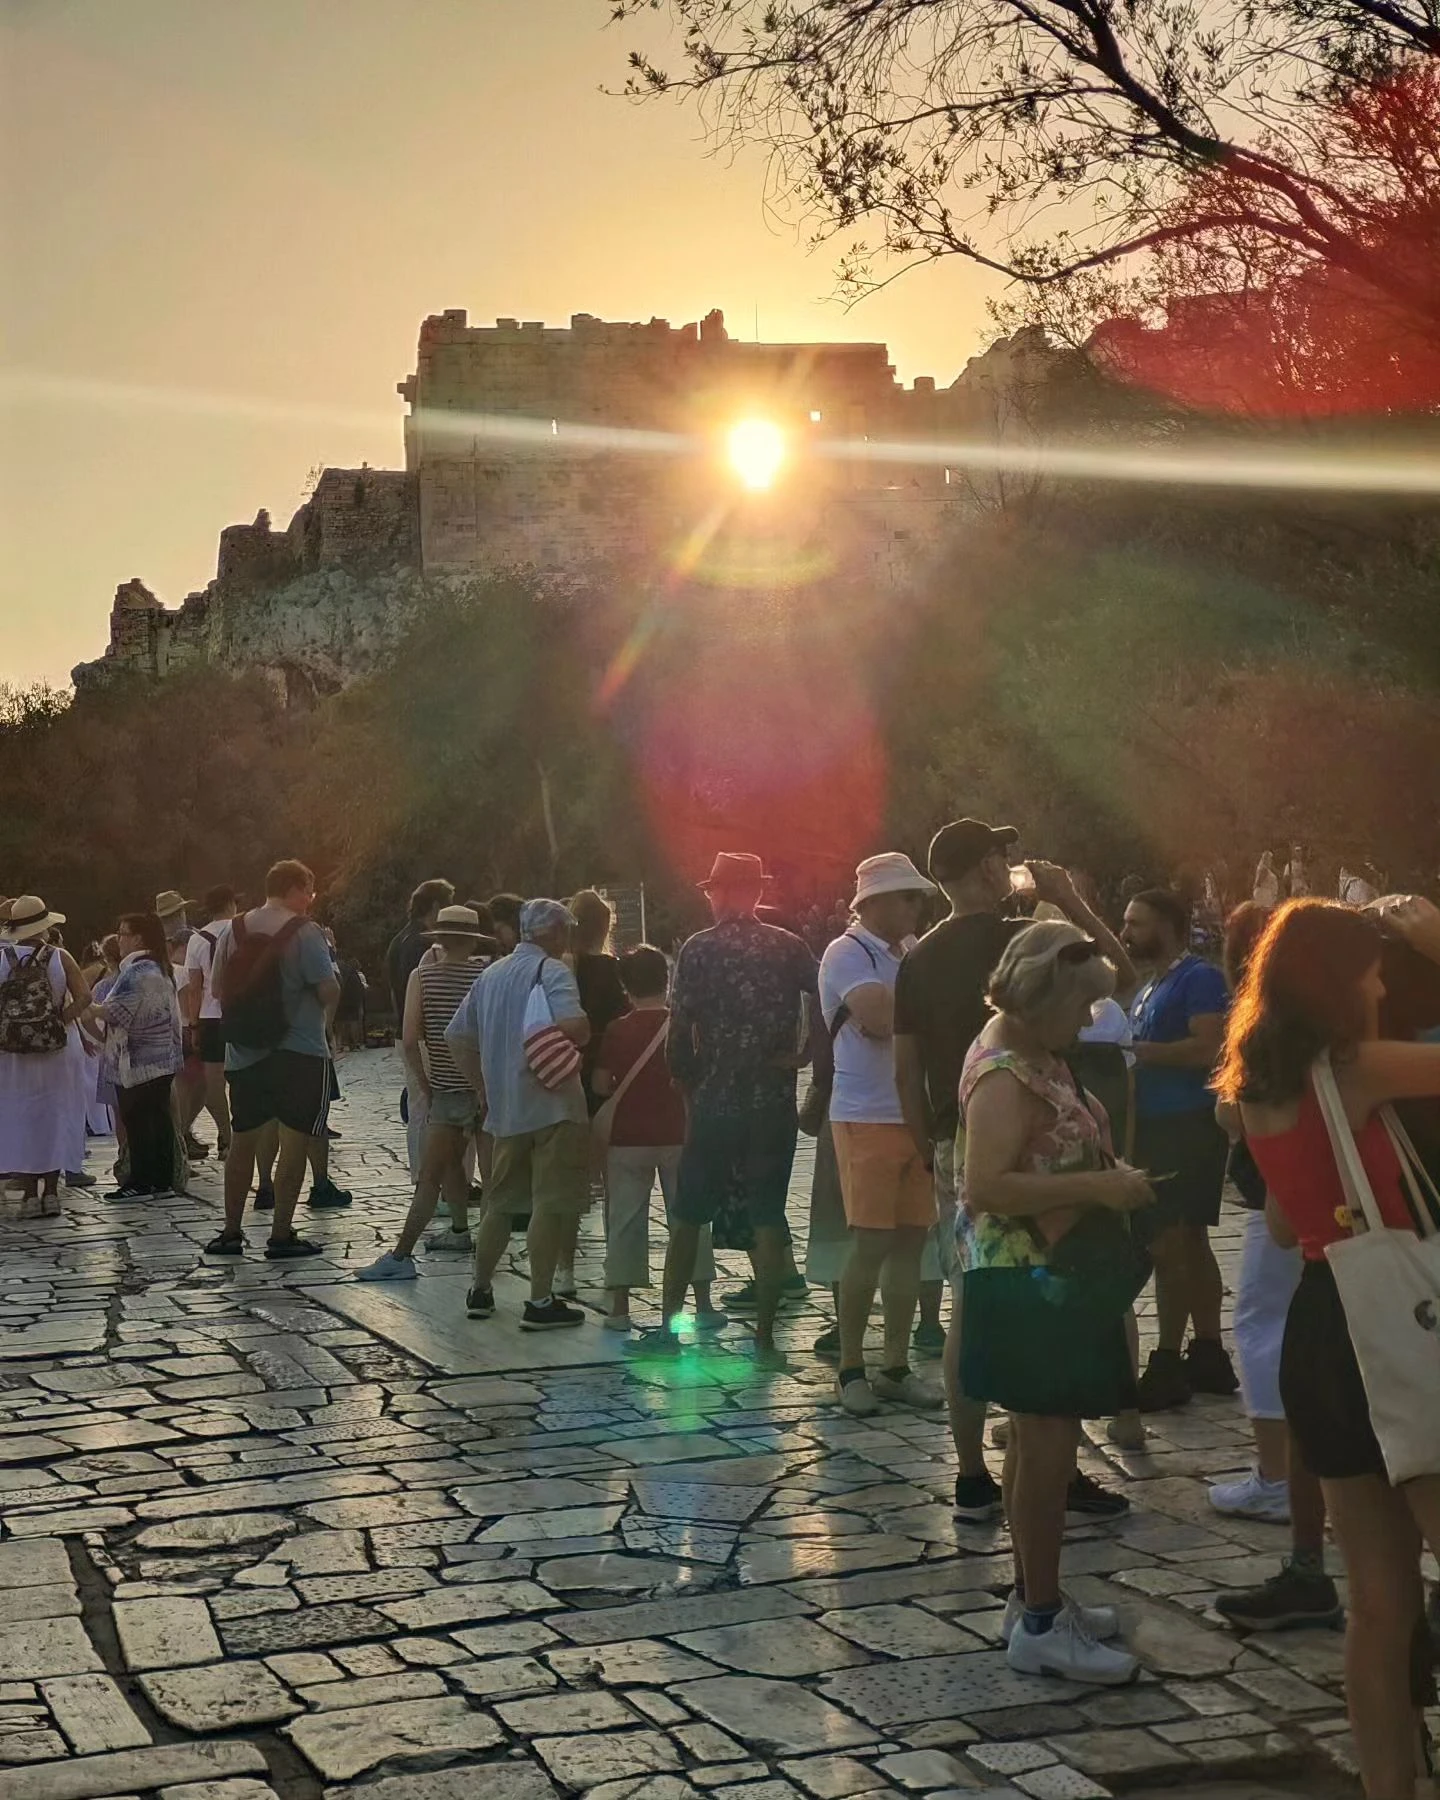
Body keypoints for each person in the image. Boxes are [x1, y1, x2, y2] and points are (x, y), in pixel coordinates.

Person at [1217, 896, 1440, 1800]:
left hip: (1321, 1320)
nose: (1385, 981)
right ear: (1341, 980)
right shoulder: (1355, 1066)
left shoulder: (1257, 1088)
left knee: (1378, 1602)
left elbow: (1280, 1219)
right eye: (1373, 967)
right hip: (1396, 1324)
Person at [894, 820, 1134, 1521]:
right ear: (986, 869)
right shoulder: (1028, 942)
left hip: (955, 1135)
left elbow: (906, 1068)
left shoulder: (918, 958)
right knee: (1059, 1298)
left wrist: (927, 1145)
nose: (1009, 865)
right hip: (1039, 1138)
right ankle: (1055, 1457)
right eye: (999, 855)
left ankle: (972, 1473)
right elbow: (1122, 975)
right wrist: (1070, 898)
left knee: (971, 1299)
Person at [960, 920, 1151, 1684]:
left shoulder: (1035, 1050)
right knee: (1044, 1452)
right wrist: (1097, 1186)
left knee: (1036, 1444)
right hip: (1027, 1276)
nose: (1088, 1021)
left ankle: (1033, 1598)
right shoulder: (1008, 1071)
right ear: (1046, 1000)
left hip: (1042, 1272)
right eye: (1080, 1005)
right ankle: (1039, 1621)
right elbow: (987, 1186)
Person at [631, 852, 818, 1362]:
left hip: (715, 1103)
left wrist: (688, 1085)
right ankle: (763, 1337)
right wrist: (803, 1054)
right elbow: (825, 999)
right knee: (766, 1216)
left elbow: (678, 1029)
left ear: (723, 893)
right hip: (771, 1103)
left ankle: (670, 1328)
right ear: (755, 892)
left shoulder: (698, 950)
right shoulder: (789, 947)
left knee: (689, 1216)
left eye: (713, 891)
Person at [823, 852, 943, 1417]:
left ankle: (895, 1365)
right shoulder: (845, 953)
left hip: (911, 1113)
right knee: (870, 1244)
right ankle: (852, 1366)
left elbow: (901, 1017)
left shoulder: (911, 953)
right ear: (876, 902)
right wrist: (931, 1016)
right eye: (908, 897)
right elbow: (876, 1015)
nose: (917, 906)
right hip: (866, 1113)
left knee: (911, 1245)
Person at [446, 898, 590, 1330]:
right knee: (549, 1201)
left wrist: (482, 1087)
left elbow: (457, 1036)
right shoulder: (554, 971)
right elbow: (576, 1026)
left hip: (506, 1108)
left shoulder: (490, 975)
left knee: (499, 1202)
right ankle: (541, 1300)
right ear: (557, 933)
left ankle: (480, 1289)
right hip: (554, 1105)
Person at [1122, 887, 1236, 1410]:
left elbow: (1209, 1047)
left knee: (1170, 1241)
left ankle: (1167, 1359)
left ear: (1168, 925)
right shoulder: (1152, 985)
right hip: (1158, 1125)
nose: (1127, 932)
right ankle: (1209, 1350)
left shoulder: (1200, 978)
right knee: (1190, 1240)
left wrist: (1135, 1051)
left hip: (1185, 1124)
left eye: (1136, 923)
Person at [205, 860, 341, 1261]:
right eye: (310, 892)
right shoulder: (306, 931)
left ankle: (230, 1232)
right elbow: (327, 988)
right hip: (299, 1051)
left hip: (245, 1052)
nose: (310, 901)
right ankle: (281, 1233)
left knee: (242, 1140)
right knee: (294, 1140)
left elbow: (216, 987)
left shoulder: (236, 929)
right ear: (297, 888)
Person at [357, 905, 492, 1279]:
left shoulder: (423, 976)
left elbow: (411, 1037)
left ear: (440, 939)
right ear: (473, 940)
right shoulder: (485, 975)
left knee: (432, 1174)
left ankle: (401, 1256)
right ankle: (474, 1243)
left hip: (446, 1088)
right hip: (485, 1089)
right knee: (491, 1177)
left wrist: (425, 1083)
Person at [595, 943, 720, 1330]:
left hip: (627, 1136)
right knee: (688, 1219)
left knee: (625, 1220)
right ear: (667, 981)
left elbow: (601, 1084)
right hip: (680, 1133)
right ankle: (701, 1303)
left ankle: (620, 1308)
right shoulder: (684, 1025)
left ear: (625, 986)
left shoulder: (616, 1030)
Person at [0, 896, 91, 1216]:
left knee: (21, 1116)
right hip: (57, 1049)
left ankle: (26, 1196)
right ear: (46, 925)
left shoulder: (1, 958)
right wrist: (57, 1021)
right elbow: (84, 997)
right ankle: (51, 1192)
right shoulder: (60, 956)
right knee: (55, 1114)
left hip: (13, 1054)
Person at [562, 888, 631, 1297]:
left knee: (570, 1181)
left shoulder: (561, 969)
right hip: (605, 1078)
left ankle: (564, 1270)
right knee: (611, 1179)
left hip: (567, 1075)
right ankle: (614, 1257)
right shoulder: (611, 970)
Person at [91, 912, 183, 1200]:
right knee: (158, 1119)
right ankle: (162, 1180)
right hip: (162, 1058)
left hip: (136, 1061)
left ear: (138, 938)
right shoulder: (160, 968)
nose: (119, 940)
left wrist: (87, 1007)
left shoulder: (134, 971)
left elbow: (115, 1011)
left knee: (138, 1121)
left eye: (123, 934)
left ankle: (140, 1182)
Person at [183, 885, 238, 1159]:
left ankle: (225, 1133)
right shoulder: (242, 930)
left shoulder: (196, 939)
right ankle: (239, 1132)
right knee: (241, 1075)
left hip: (209, 1015)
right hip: (240, 1012)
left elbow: (194, 986)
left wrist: (193, 1025)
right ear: (230, 904)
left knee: (214, 1081)